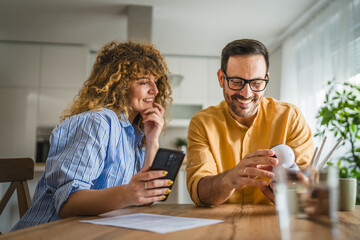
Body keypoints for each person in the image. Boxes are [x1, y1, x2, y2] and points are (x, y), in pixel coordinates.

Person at [12, 41, 173, 230]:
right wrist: (127, 193)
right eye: (144, 81)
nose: (154, 90)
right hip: (48, 233)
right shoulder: (97, 122)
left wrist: (153, 140)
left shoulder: (134, 133)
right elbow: (68, 205)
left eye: (155, 81)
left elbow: (143, 198)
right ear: (119, 85)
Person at [186, 39, 314, 206]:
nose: (247, 93)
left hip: (276, 223)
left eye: (256, 83)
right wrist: (231, 178)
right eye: (237, 82)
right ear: (221, 78)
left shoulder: (290, 117)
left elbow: (307, 186)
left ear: (266, 79)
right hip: (220, 226)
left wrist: (295, 195)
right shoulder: (202, 123)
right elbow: (200, 193)